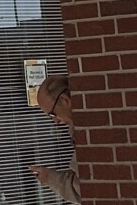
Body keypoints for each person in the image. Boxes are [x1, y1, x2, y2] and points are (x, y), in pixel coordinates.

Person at [29, 74, 81, 204]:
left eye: (53, 114)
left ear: (65, 100)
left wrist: (49, 178)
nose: (55, 121)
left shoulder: (89, 133)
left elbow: (82, 189)